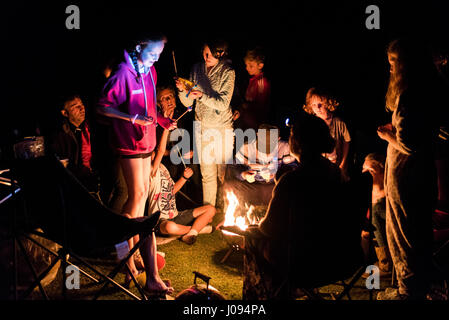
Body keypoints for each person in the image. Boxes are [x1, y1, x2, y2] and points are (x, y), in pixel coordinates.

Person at [242, 113, 362, 299]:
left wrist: (255, 226)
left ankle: (267, 297)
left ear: (297, 143)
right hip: (343, 259)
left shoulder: (292, 181)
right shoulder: (338, 176)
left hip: (304, 264)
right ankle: (289, 289)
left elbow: (268, 228)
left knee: (251, 235)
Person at [96, 33, 175, 295]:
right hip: (128, 144)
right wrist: (130, 118)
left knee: (140, 203)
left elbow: (150, 106)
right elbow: (103, 107)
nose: (156, 58)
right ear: (140, 46)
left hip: (147, 142)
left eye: (160, 54)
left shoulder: (150, 73)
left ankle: (132, 260)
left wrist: (160, 121)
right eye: (153, 53)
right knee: (138, 201)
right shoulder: (122, 73)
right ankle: (130, 260)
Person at [376, 38, 443, 300]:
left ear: (406, 64)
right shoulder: (430, 88)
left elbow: (409, 144)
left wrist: (386, 135)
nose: (390, 69)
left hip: (407, 175)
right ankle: (416, 286)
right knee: (417, 231)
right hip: (422, 173)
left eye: (394, 62)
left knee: (405, 233)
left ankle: (408, 290)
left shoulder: (410, 93)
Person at [175, 39, 235, 207]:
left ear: (221, 53)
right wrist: (182, 90)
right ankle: (208, 210)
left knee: (222, 172)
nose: (206, 57)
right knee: (206, 173)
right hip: (202, 127)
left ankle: (227, 207)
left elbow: (223, 103)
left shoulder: (228, 72)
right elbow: (188, 103)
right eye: (205, 53)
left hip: (222, 127)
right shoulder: (196, 69)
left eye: (210, 54)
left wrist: (202, 96)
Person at [148, 126, 215, 245]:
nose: (152, 154)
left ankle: (191, 231)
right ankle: (198, 229)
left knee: (210, 210)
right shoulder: (150, 172)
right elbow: (160, 151)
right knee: (170, 227)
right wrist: (166, 128)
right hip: (160, 221)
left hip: (176, 215)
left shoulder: (163, 168)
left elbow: (172, 191)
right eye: (150, 154)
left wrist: (184, 178)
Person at [222, 124, 295, 217]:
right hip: (253, 186)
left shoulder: (285, 147)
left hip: (273, 187)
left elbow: (292, 167)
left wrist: (277, 175)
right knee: (229, 185)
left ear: (278, 139)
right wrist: (244, 175)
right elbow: (233, 166)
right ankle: (234, 214)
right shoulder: (247, 147)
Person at [50, 94, 99, 194]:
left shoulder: (91, 128)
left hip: (96, 179)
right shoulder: (60, 135)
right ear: (65, 113)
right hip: (75, 184)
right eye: (75, 106)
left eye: (81, 104)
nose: (82, 108)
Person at [303, 87, 351, 180]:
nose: (317, 108)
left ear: (328, 103)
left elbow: (346, 142)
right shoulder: (311, 124)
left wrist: (343, 163)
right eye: (313, 105)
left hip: (337, 166)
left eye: (320, 104)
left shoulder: (339, 123)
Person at [360, 153, 392, 278]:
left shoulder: (388, 191)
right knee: (365, 231)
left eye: (371, 170)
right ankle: (364, 263)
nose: (366, 173)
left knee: (375, 212)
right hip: (372, 218)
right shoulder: (366, 190)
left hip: (387, 219)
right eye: (364, 169)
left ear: (382, 171)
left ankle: (385, 263)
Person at [239, 47, 271, 130]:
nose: (247, 68)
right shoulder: (253, 80)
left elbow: (262, 105)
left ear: (260, 65)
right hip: (248, 122)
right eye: (246, 65)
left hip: (256, 124)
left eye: (251, 66)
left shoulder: (262, 82)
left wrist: (247, 106)